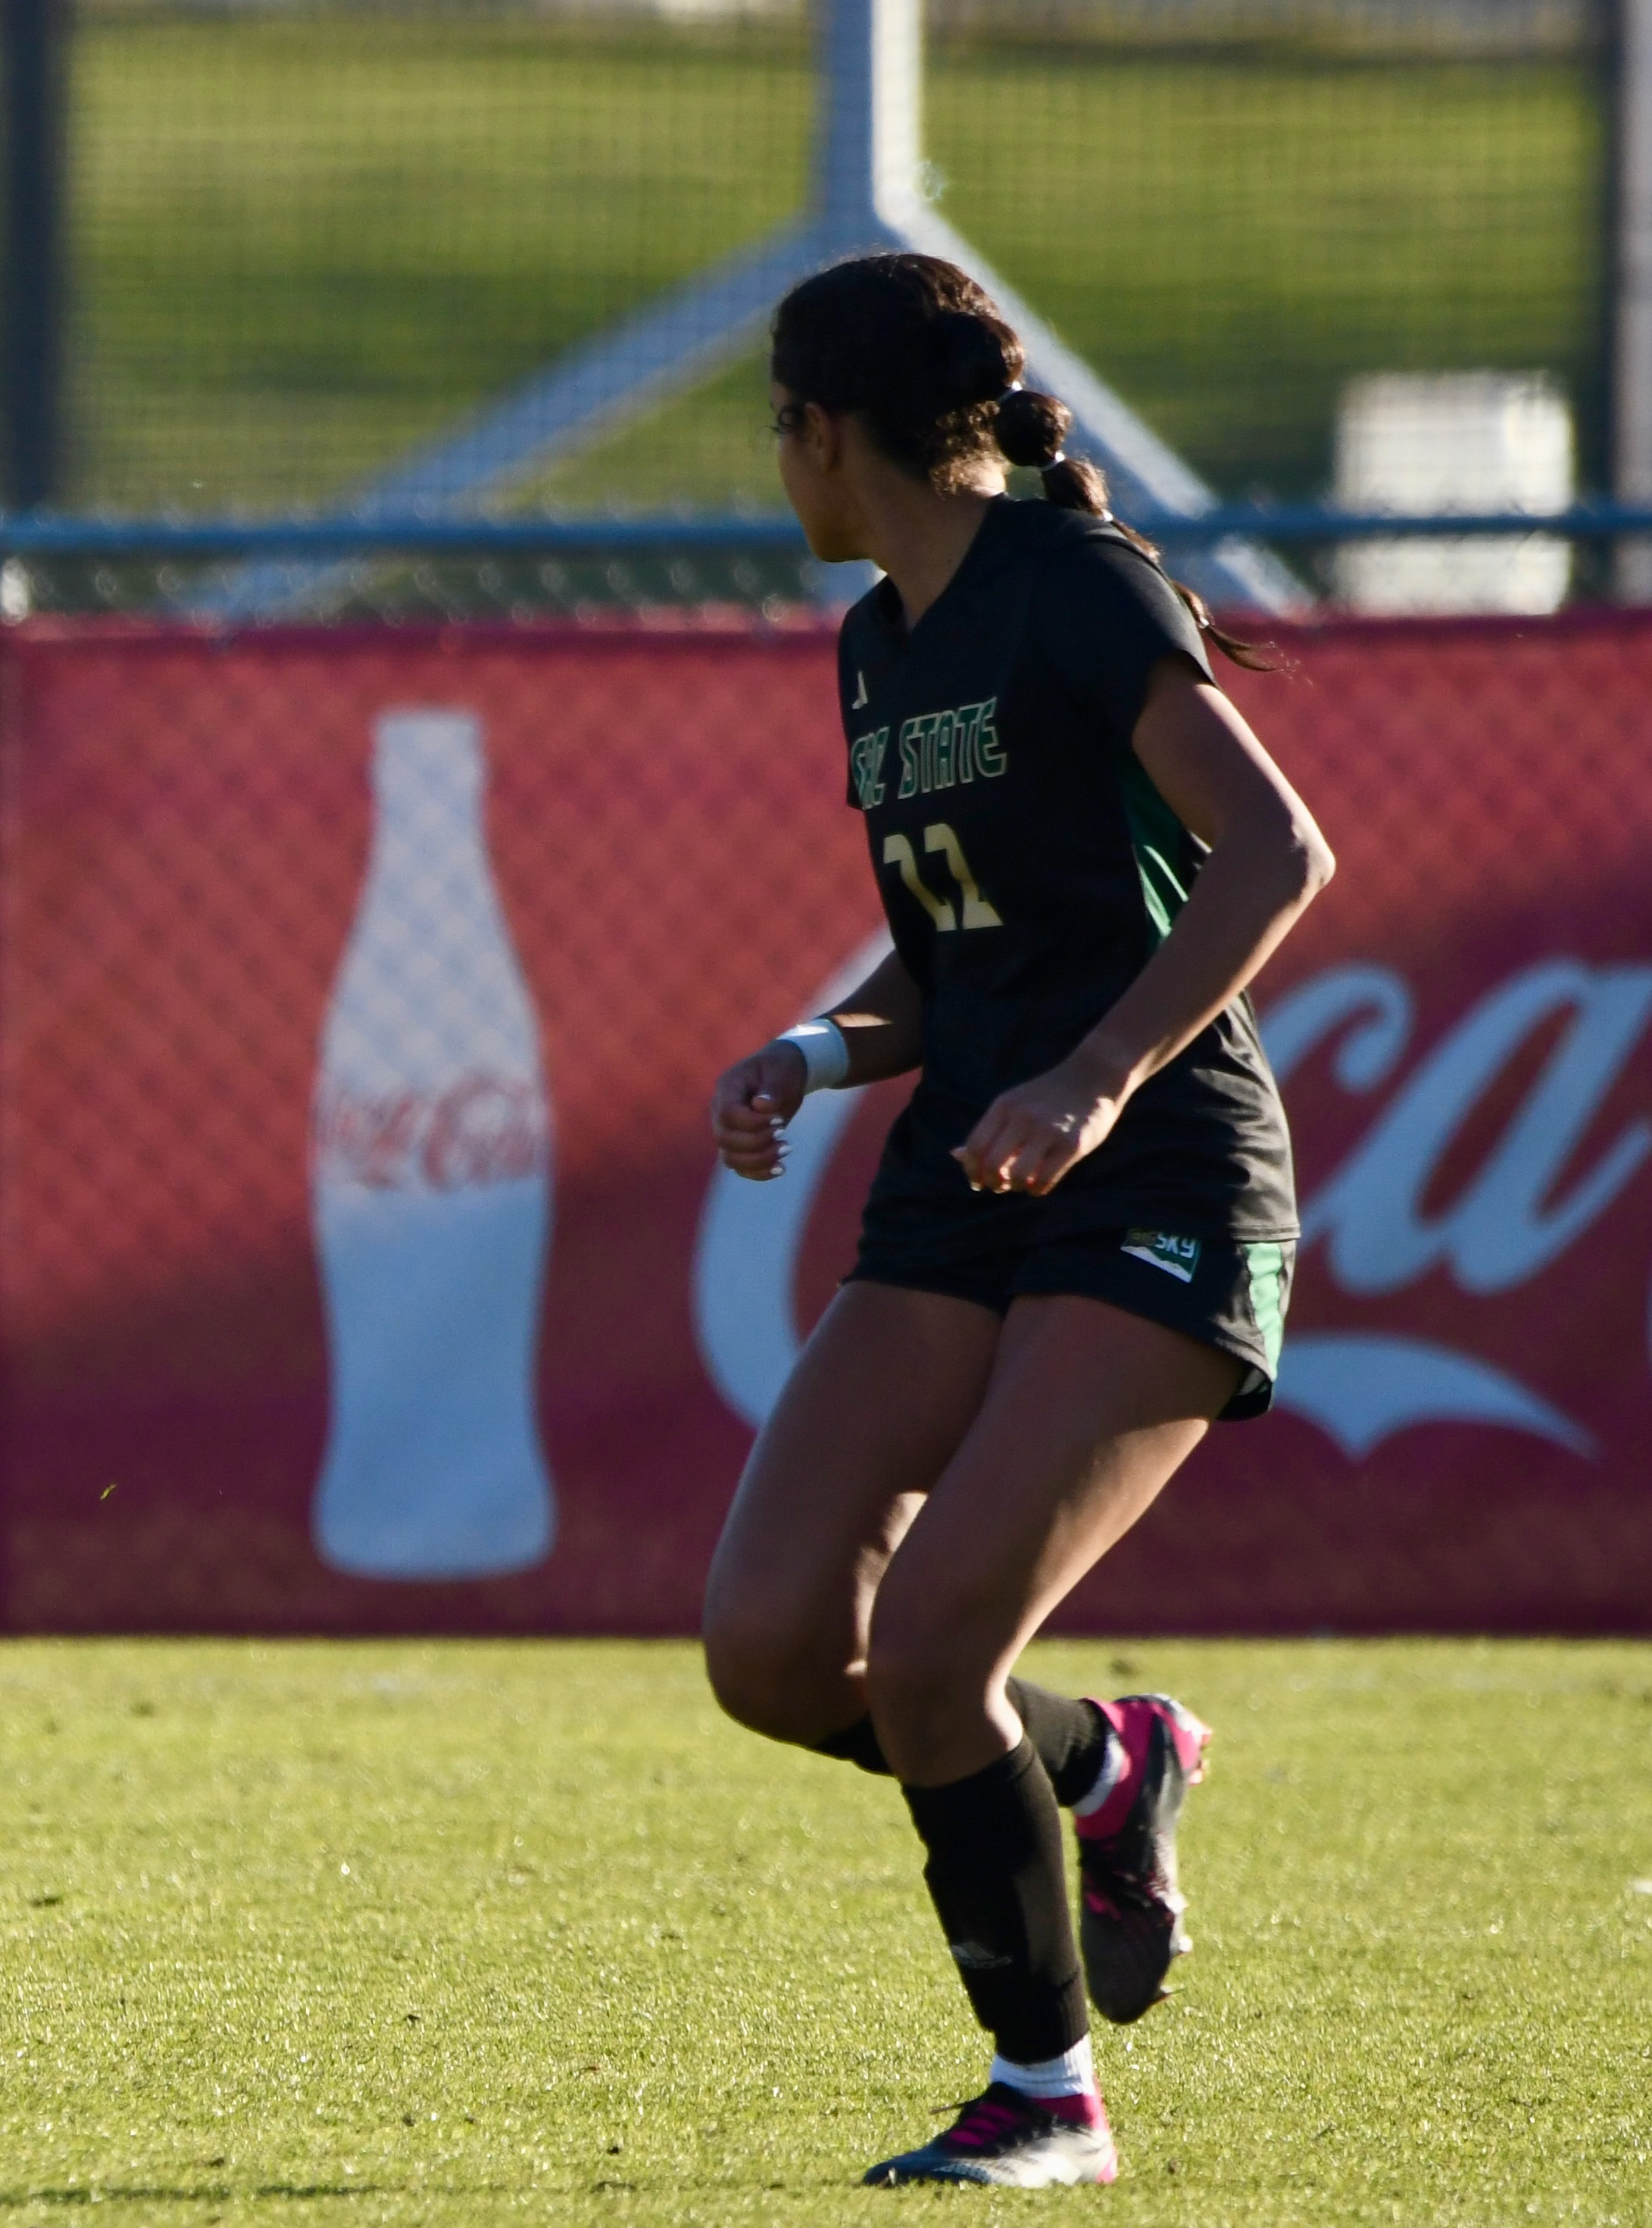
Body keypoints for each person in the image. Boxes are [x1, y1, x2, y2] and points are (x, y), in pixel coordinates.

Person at [699, 254, 1333, 2188]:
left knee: (940, 1641)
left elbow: (1275, 850)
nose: (774, 463)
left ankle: (1046, 2098)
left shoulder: (1074, 586)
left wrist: (1101, 1079)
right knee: (777, 1647)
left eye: (778, 427)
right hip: (966, 1170)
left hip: (1153, 1166)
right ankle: (1103, 1761)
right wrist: (815, 1052)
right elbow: (947, 942)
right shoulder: (876, 637)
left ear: (827, 427)